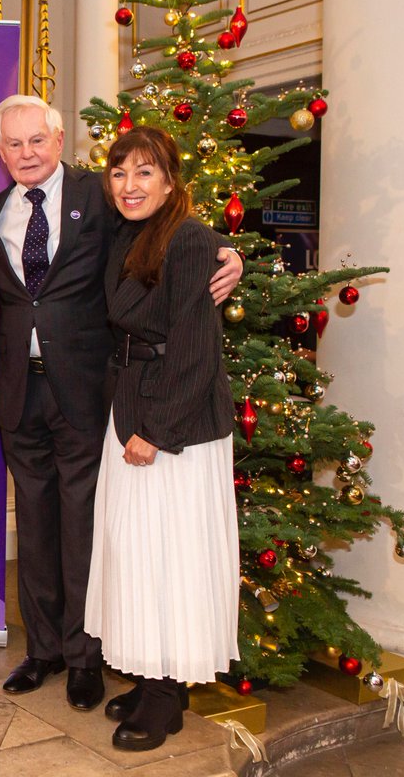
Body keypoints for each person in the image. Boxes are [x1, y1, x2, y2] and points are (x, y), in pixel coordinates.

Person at [0, 95, 243, 711]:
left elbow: (170, 226)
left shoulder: (101, 193)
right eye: (12, 144)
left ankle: (83, 656)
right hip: (19, 388)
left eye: (36, 140)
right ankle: (41, 649)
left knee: (85, 524)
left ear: (60, 138)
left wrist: (231, 253)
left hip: (91, 388)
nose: (26, 153)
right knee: (35, 526)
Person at [84, 125, 239, 751]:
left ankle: (166, 698)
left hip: (175, 425)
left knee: (170, 554)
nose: (129, 185)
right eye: (119, 173)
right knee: (136, 550)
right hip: (130, 405)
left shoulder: (191, 239)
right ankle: (154, 677)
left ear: (171, 181)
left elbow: (198, 351)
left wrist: (157, 432)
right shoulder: (130, 234)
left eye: (145, 172)